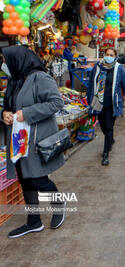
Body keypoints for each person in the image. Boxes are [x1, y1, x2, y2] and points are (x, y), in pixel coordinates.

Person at [1, 46, 65, 238]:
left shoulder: (40, 78)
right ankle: (34, 221)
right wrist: (4, 114)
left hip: (35, 140)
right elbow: (8, 106)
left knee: (38, 179)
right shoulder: (15, 80)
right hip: (18, 139)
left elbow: (56, 103)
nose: (4, 64)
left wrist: (26, 114)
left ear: (18, 60)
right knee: (24, 178)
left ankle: (59, 203)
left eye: (5, 60)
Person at [88, 48, 125, 166]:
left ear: (115, 57)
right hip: (99, 102)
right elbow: (91, 85)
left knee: (109, 127)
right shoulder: (97, 67)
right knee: (103, 126)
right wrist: (89, 102)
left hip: (112, 104)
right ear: (104, 55)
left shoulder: (119, 68)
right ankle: (110, 140)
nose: (109, 56)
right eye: (107, 54)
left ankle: (105, 154)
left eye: (111, 55)